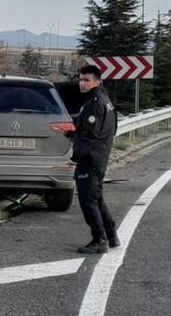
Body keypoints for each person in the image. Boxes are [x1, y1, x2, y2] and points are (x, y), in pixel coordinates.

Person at [59, 65, 119, 254]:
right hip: (98, 157)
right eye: (81, 79)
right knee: (97, 197)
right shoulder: (104, 100)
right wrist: (71, 134)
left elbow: (91, 136)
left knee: (88, 201)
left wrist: (75, 157)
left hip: (90, 160)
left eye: (86, 80)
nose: (82, 83)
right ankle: (111, 235)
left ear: (97, 81)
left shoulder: (95, 103)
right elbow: (97, 130)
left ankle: (99, 239)